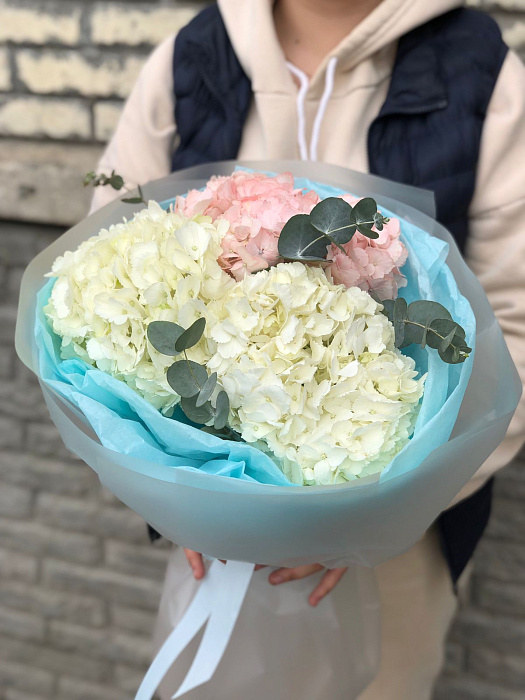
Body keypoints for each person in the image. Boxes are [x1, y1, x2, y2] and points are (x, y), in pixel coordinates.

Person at [90, 0, 525, 697]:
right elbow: (108, 255)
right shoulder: (194, 57)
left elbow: (514, 321)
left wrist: (387, 513)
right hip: (212, 526)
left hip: (403, 535)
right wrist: (177, 488)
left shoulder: (478, 70)